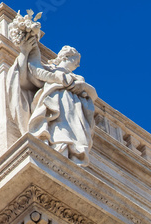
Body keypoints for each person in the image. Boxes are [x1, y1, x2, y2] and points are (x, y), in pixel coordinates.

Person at [7, 12, 96, 164]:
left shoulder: (77, 78)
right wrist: (26, 51)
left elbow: (93, 94)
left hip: (73, 110)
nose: (78, 65)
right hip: (54, 104)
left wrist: (81, 86)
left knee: (75, 136)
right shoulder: (50, 69)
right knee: (59, 133)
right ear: (66, 58)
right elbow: (28, 76)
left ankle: (71, 157)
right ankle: (58, 154)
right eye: (76, 60)